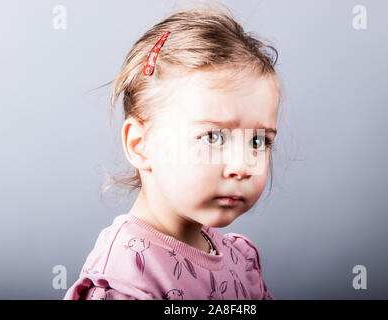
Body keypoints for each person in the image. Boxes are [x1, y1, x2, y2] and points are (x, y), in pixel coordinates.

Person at [64, 4, 285, 300]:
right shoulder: (126, 283)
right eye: (213, 136)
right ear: (140, 145)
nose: (243, 166)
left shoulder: (239, 259)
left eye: (258, 141)